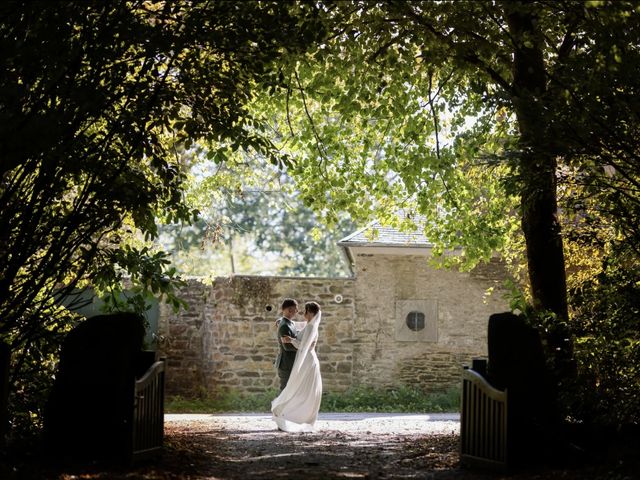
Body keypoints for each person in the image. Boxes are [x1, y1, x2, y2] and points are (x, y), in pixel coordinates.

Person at [271, 301, 322, 432]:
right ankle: (291, 416)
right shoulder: (309, 325)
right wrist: (281, 320)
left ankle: (293, 416)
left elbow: (305, 346)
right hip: (306, 360)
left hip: (307, 360)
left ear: (310, 313)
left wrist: (291, 340)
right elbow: (297, 327)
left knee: (300, 390)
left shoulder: (311, 327)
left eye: (304, 311)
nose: (301, 313)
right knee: (298, 389)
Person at [274, 298, 299, 391]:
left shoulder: (289, 322)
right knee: (285, 392)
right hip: (286, 365)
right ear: (289, 310)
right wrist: (303, 348)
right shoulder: (284, 325)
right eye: (296, 309)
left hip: (290, 363)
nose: (297, 311)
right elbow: (287, 347)